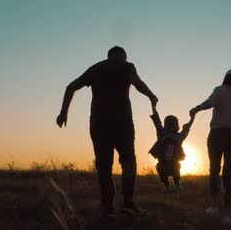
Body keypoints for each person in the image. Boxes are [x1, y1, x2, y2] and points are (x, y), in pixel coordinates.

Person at [56, 46, 158, 218]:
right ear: (122, 56)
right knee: (128, 162)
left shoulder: (95, 68)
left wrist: (63, 113)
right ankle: (127, 203)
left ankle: (108, 207)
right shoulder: (126, 66)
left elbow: (70, 87)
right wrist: (151, 96)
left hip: (99, 124)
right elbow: (137, 83)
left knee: (104, 167)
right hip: (122, 123)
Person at [189, 69, 231, 225]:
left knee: (214, 170)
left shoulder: (221, 90)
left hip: (217, 134)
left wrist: (197, 108)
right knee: (229, 175)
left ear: (226, 78)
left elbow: (210, 102)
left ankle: (214, 206)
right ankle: (227, 214)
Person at [148, 101, 194, 191]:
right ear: (166, 125)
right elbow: (157, 120)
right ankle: (166, 185)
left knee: (176, 167)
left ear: (176, 125)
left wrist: (192, 118)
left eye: (173, 124)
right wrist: (153, 106)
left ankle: (177, 184)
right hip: (162, 163)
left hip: (174, 163)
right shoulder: (161, 133)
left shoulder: (179, 136)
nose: (171, 126)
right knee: (159, 167)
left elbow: (187, 128)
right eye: (169, 124)